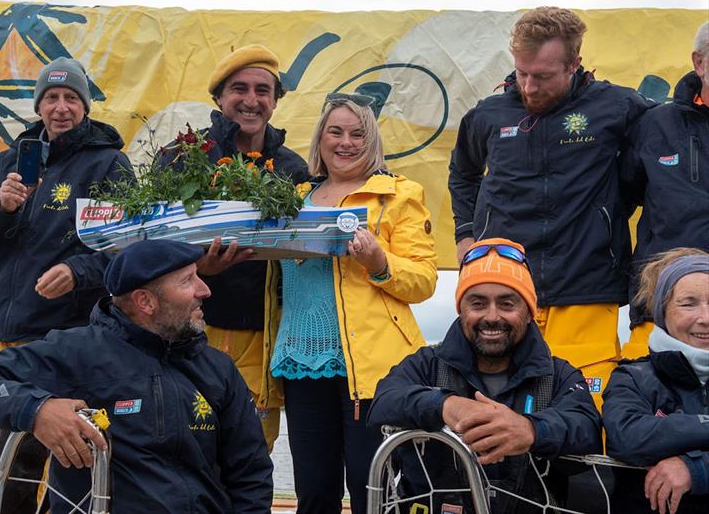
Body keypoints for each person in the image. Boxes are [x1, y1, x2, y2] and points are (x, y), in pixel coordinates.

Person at [0, 240, 274, 514]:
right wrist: (37, 410)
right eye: (188, 280)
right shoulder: (78, 353)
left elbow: (250, 473)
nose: (205, 290)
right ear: (146, 301)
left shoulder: (216, 367)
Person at [448, 6, 654, 409]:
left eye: (542, 76)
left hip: (587, 285)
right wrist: (465, 234)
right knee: (504, 411)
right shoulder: (488, 115)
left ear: (575, 63)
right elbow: (462, 175)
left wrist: (607, 212)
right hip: (505, 289)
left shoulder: (618, 107)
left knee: (584, 412)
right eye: (522, 73)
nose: (528, 86)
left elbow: (650, 172)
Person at [0, 56, 133, 512]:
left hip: (68, 335)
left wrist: (78, 272)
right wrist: (3, 207)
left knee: (55, 461)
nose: (61, 107)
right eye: (51, 97)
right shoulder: (10, 162)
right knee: (3, 461)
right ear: (39, 106)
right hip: (5, 334)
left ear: (85, 106)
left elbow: (122, 249)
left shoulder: (109, 163)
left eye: (71, 98)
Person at [265, 93, 438, 514]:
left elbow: (424, 280)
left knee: (371, 488)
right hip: (298, 360)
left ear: (372, 140)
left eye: (358, 134)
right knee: (314, 491)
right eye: (335, 132)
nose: (346, 142)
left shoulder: (398, 194)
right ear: (320, 140)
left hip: (373, 366)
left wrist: (380, 263)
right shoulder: (292, 198)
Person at [368, 237, 602, 514]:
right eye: (478, 304)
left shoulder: (560, 374)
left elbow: (587, 427)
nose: (492, 317)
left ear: (529, 313)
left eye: (507, 304)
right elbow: (383, 402)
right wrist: (444, 405)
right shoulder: (427, 364)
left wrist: (531, 429)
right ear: (461, 310)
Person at [159, 44, 310, 451]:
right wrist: (197, 269)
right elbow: (149, 249)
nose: (251, 100)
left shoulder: (294, 169)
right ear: (219, 98)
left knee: (252, 454)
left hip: (264, 338)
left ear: (275, 101)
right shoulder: (181, 158)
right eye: (238, 89)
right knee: (186, 451)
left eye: (263, 90)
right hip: (190, 331)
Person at [620, 22, 709, 359]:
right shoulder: (654, 124)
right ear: (699, 63)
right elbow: (623, 198)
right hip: (659, 307)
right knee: (648, 406)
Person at [603, 248, 708, 514]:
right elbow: (627, 437)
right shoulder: (632, 378)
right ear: (663, 311)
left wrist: (696, 469)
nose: (705, 318)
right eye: (688, 303)